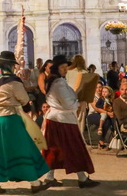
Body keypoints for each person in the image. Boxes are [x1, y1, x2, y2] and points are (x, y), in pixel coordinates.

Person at [0, 51, 51, 195]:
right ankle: (35, 182)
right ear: (9, 65)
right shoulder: (13, 81)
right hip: (10, 119)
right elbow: (24, 99)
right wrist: (26, 105)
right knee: (24, 147)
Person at [41, 55, 98, 187]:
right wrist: (79, 102)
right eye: (63, 67)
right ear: (57, 68)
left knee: (54, 150)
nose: (66, 70)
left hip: (56, 119)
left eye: (66, 67)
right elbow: (68, 103)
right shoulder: (59, 83)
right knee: (74, 148)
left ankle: (50, 177)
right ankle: (82, 179)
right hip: (63, 120)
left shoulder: (55, 81)